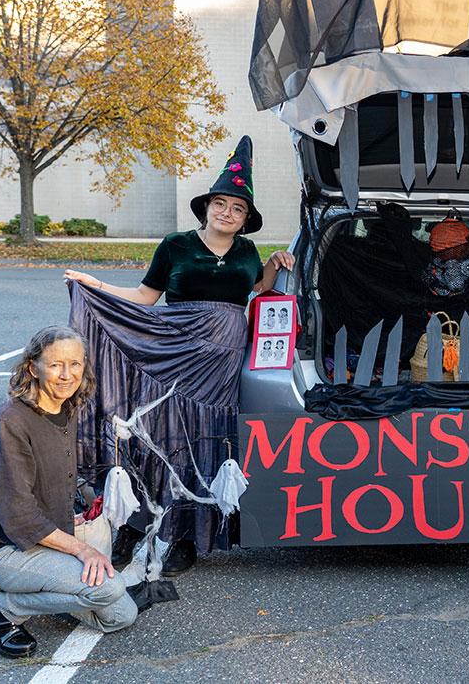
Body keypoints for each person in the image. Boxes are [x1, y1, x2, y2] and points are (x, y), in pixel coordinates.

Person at [63, 135, 295, 577]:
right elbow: (144, 298)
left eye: (237, 208)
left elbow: (255, 289)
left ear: (246, 219)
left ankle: (188, 536)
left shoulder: (247, 251)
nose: (227, 213)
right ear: (206, 208)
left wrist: (274, 263)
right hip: (171, 349)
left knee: (205, 442)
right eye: (221, 204)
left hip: (221, 362)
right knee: (151, 433)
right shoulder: (175, 245)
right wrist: (95, 286)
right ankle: (134, 522)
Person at [0, 326, 137, 658]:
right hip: (1, 548)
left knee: (120, 615)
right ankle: (1, 608)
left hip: (47, 540)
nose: (67, 374)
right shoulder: (9, 424)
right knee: (110, 587)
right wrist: (83, 552)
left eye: (75, 364)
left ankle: (46, 586)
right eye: (56, 364)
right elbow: (19, 517)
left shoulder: (66, 408)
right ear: (33, 367)